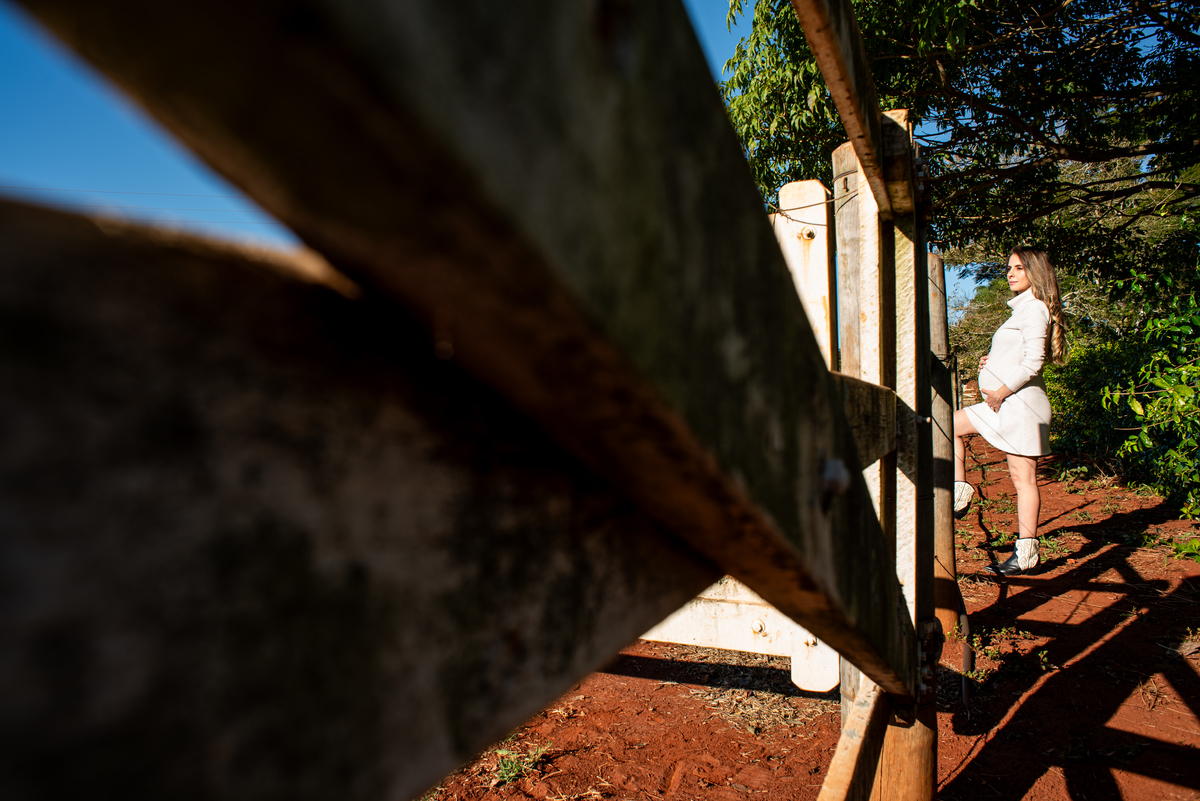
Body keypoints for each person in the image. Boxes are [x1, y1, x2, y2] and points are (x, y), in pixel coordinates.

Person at [953, 246, 1069, 576]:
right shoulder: (1022, 311)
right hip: (1010, 405)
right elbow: (1019, 355)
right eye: (1009, 267)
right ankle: (961, 491)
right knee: (948, 427)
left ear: (1036, 272)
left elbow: (1034, 362)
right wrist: (992, 363)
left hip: (1019, 406)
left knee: (1023, 479)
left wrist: (1000, 392)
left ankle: (1025, 553)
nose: (1010, 273)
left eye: (1019, 267)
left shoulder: (1033, 309)